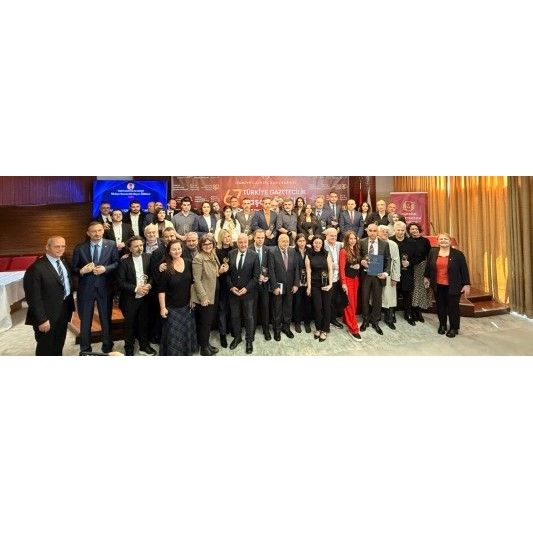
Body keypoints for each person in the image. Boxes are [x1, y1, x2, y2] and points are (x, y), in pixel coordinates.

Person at [72, 221, 119, 355]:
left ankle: (107, 348)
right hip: (85, 289)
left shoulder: (111, 244)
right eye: (94, 231)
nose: (97, 233)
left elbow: (116, 263)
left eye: (99, 230)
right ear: (88, 233)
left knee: (105, 319)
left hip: (105, 288)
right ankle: (85, 350)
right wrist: (82, 271)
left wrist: (106, 268)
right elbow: (74, 268)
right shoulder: (80, 248)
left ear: (103, 230)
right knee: (85, 320)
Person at [23, 236, 75, 356]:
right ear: (47, 247)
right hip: (46, 315)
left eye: (63, 246)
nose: (60, 249)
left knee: (59, 343)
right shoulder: (36, 268)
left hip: (63, 310)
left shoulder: (63, 262)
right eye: (57, 246)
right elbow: (33, 297)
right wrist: (41, 319)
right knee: (45, 347)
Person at [424, 233, 471, 338]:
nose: (443, 241)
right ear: (438, 241)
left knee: (453, 307)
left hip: (453, 285)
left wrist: (466, 284)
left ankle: (454, 328)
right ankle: (442, 325)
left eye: (445, 239)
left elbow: (464, 270)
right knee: (440, 306)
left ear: (450, 241)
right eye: (441, 239)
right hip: (438, 285)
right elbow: (429, 266)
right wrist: (426, 277)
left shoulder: (458, 254)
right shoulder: (433, 252)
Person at [116, 236, 156, 356]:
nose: (139, 248)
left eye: (141, 245)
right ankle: (129, 349)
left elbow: (153, 275)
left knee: (144, 323)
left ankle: (144, 346)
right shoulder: (124, 261)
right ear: (130, 248)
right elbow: (120, 282)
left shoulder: (149, 257)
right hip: (129, 299)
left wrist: (149, 285)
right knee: (129, 325)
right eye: (136, 246)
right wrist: (136, 289)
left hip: (146, 297)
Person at [158, 241, 198, 356]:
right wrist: (163, 308)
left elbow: (192, 283)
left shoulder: (188, 262)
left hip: (187, 306)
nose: (177, 251)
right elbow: (161, 290)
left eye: (179, 248)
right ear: (169, 252)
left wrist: (192, 299)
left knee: (186, 332)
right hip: (172, 308)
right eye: (174, 249)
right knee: (174, 336)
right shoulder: (165, 267)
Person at [192, 234, 229, 355]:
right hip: (206, 295)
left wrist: (221, 271)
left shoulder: (213, 254)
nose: (207, 246)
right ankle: (204, 348)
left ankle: (206, 344)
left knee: (208, 322)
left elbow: (214, 274)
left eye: (210, 244)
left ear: (213, 244)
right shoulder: (198, 258)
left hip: (214, 292)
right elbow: (197, 280)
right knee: (205, 323)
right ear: (201, 245)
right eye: (205, 244)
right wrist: (203, 297)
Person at [227, 234, 260, 354]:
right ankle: (237, 337)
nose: (243, 245)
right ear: (237, 243)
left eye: (245, 242)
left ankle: (249, 340)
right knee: (235, 316)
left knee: (249, 317)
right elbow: (227, 274)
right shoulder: (231, 254)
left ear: (248, 242)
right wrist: (231, 287)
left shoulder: (254, 255)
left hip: (248, 293)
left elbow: (256, 277)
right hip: (234, 293)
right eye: (240, 242)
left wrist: (246, 289)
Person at [359, 223, 391, 335]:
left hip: (378, 275)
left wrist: (386, 273)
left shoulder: (384, 244)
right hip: (365, 274)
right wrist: (361, 261)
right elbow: (358, 255)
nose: (372, 233)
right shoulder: (361, 242)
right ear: (367, 231)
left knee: (377, 299)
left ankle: (375, 322)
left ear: (377, 232)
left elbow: (388, 260)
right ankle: (365, 320)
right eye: (370, 230)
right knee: (365, 298)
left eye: (374, 231)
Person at [268, 233, 299, 340]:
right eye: (283, 241)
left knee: (288, 308)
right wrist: (274, 286)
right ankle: (277, 330)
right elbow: (271, 270)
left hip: (290, 286)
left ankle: (286, 328)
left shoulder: (292, 251)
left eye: (287, 241)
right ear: (278, 242)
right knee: (277, 309)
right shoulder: (272, 252)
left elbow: (296, 268)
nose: (285, 243)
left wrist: (296, 284)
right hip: (278, 286)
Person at [305, 235, 333, 342]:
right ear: (312, 243)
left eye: (319, 243)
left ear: (322, 244)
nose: (317, 245)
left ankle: (324, 330)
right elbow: (308, 271)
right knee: (317, 308)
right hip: (315, 284)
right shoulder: (308, 255)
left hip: (326, 284)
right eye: (315, 243)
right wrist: (309, 287)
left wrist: (330, 284)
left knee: (326, 307)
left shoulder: (326, 253)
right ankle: (318, 328)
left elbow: (330, 269)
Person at [390, 221, 418, 326]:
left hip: (407, 272)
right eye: (398, 230)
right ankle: (392, 313)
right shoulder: (390, 241)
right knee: (394, 293)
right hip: (393, 272)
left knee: (407, 293)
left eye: (402, 230)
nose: (400, 232)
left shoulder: (412, 242)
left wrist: (409, 263)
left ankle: (408, 314)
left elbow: (417, 257)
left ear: (405, 230)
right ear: (394, 230)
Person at [338, 231, 362, 340]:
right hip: (347, 280)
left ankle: (346, 320)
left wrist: (358, 266)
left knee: (354, 303)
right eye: (350, 239)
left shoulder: (356, 249)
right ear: (347, 240)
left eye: (354, 238)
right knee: (350, 304)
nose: (352, 241)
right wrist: (343, 283)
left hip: (355, 279)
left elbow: (354, 263)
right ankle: (353, 329)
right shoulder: (343, 251)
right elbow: (342, 268)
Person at [407, 222, 432, 322]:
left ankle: (418, 311)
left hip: (422, 267)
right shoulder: (407, 241)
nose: (414, 231)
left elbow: (429, 255)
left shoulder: (425, 241)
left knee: (421, 288)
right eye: (412, 229)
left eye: (416, 229)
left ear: (419, 230)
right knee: (413, 289)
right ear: (409, 231)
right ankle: (412, 310)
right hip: (411, 267)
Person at [378, 225, 401, 330]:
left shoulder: (393, 244)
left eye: (387, 232)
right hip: (376, 275)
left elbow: (396, 261)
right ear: (378, 233)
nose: (385, 233)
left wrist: (395, 277)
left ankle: (389, 319)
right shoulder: (374, 242)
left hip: (389, 275)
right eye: (382, 231)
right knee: (376, 297)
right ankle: (376, 318)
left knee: (390, 298)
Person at [251, 229, 273, 341]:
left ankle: (266, 330)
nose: (260, 240)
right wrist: (256, 277)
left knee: (265, 308)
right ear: (254, 237)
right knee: (253, 309)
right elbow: (247, 268)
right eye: (258, 237)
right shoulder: (249, 249)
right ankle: (252, 330)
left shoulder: (267, 250)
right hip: (252, 285)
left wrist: (267, 276)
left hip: (264, 284)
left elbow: (270, 266)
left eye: (262, 238)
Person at [215, 229, 234, 347]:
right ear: (221, 238)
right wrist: (220, 270)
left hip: (233, 283)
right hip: (222, 283)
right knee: (222, 309)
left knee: (232, 308)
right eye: (225, 237)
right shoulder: (217, 251)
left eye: (229, 236)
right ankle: (222, 334)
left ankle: (231, 328)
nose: (227, 238)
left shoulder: (234, 249)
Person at [324, 227, 345, 329]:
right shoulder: (322, 245)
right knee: (326, 301)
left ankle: (333, 319)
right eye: (331, 235)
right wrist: (330, 264)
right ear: (326, 236)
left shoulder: (338, 244)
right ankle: (325, 321)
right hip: (326, 278)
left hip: (337, 278)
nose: (333, 237)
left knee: (334, 300)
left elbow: (350, 243)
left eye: (335, 235)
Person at [292, 234, 312, 333]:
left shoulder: (310, 250)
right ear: (296, 242)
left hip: (308, 280)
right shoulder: (293, 251)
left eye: (303, 241)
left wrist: (308, 282)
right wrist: (297, 282)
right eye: (299, 241)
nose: (302, 243)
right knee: (297, 303)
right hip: (297, 280)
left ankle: (307, 323)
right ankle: (297, 323)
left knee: (307, 303)